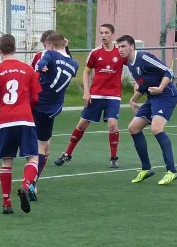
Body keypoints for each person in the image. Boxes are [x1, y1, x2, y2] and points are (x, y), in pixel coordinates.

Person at [54, 23, 127, 169]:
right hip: (96, 95)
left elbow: (131, 64)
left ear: (112, 34)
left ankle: (113, 157)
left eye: (106, 33)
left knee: (113, 124)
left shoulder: (120, 53)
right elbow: (86, 72)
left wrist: (139, 82)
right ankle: (67, 153)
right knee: (82, 124)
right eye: (101, 33)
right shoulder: (95, 53)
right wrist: (86, 92)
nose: (103, 35)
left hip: (113, 95)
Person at [0, 29, 59, 145]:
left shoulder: (58, 59)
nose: (47, 48)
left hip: (45, 97)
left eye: (50, 45)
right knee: (8, 107)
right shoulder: (39, 56)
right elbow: (30, 71)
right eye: (45, 45)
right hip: (30, 91)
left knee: (43, 140)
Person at [0, 34, 42, 214]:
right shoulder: (28, 69)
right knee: (33, 157)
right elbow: (35, 97)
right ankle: (26, 184)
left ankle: (6, 203)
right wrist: (26, 106)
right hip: (25, 119)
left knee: (6, 161)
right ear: (15, 48)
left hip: (5, 120)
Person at [116, 35, 177, 185]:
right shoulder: (130, 64)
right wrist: (133, 100)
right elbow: (144, 85)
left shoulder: (144, 57)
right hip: (153, 97)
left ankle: (172, 171)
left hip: (166, 95)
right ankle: (146, 169)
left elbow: (168, 71)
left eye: (123, 46)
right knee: (133, 128)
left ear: (132, 46)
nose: (120, 49)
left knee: (156, 128)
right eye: (119, 47)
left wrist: (160, 88)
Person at [31, 34, 79, 200]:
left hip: (37, 103)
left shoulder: (49, 54)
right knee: (44, 146)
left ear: (50, 45)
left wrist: (41, 68)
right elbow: (67, 64)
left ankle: (30, 181)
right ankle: (33, 181)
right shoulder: (75, 64)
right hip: (52, 108)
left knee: (40, 146)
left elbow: (40, 64)